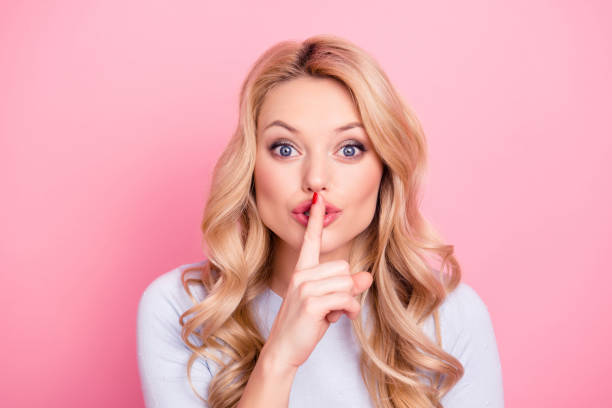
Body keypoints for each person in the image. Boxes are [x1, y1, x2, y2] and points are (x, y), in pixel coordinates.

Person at [137, 34, 504, 408]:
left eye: (349, 149)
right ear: (250, 167)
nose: (315, 178)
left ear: (385, 168)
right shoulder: (183, 309)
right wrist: (279, 359)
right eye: (285, 149)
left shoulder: (449, 314)